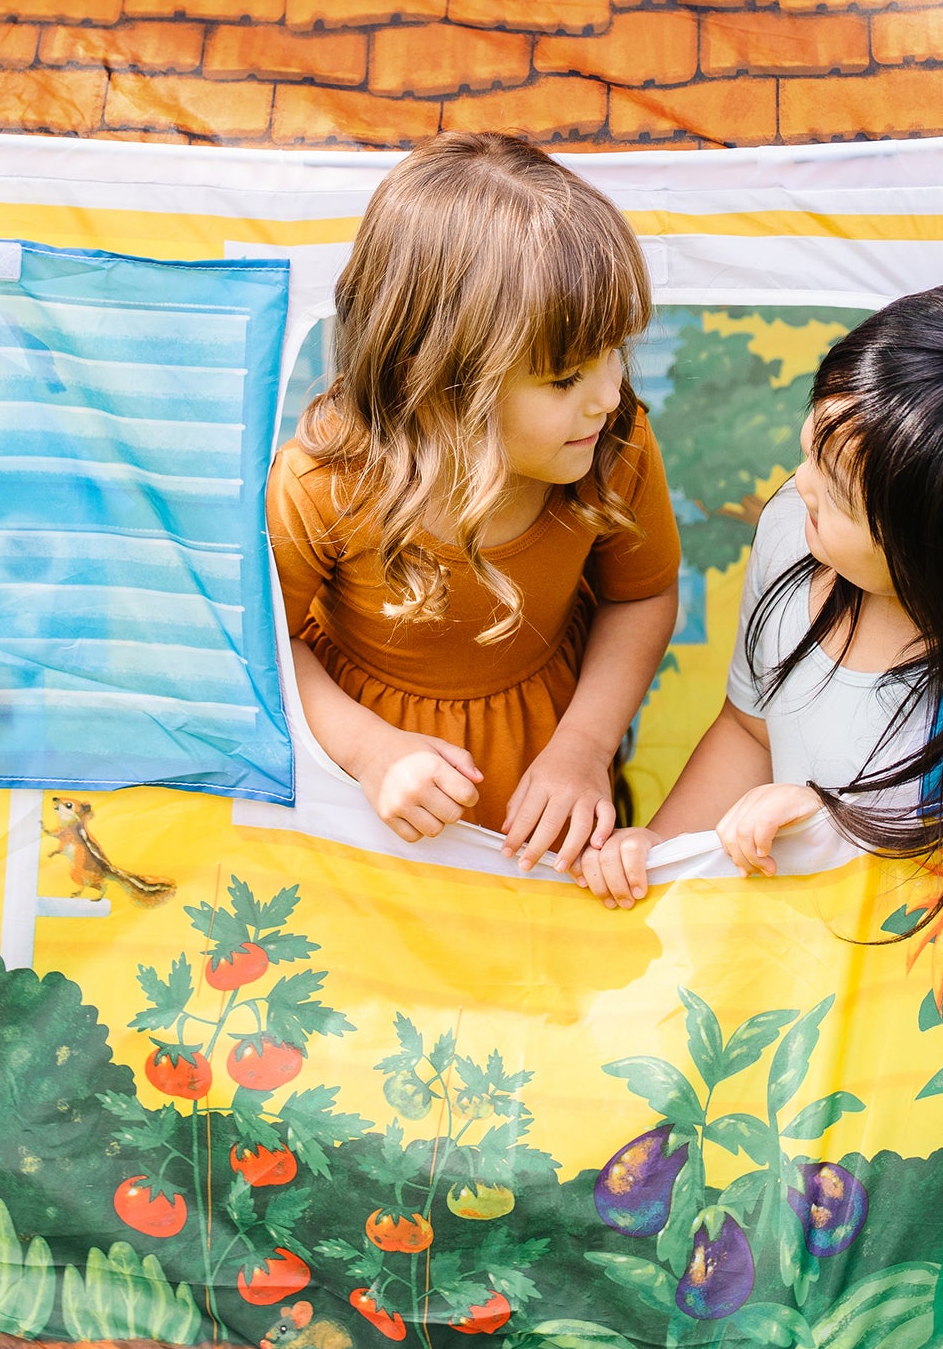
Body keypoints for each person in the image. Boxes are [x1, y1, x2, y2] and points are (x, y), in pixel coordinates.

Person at [582, 278, 943, 1046]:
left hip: (894, 1020)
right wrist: (666, 861)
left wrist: (832, 819)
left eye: (833, 494)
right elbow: (748, 729)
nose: (798, 485)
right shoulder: (792, 534)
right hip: (782, 976)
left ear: (938, 553)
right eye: (809, 447)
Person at [267, 132, 680, 867]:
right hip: (369, 780)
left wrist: (584, 747)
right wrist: (368, 751)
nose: (609, 395)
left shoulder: (613, 446)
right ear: (439, 385)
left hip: (552, 749)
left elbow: (639, 598)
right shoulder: (322, 483)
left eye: (613, 350)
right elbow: (269, 645)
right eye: (563, 379)